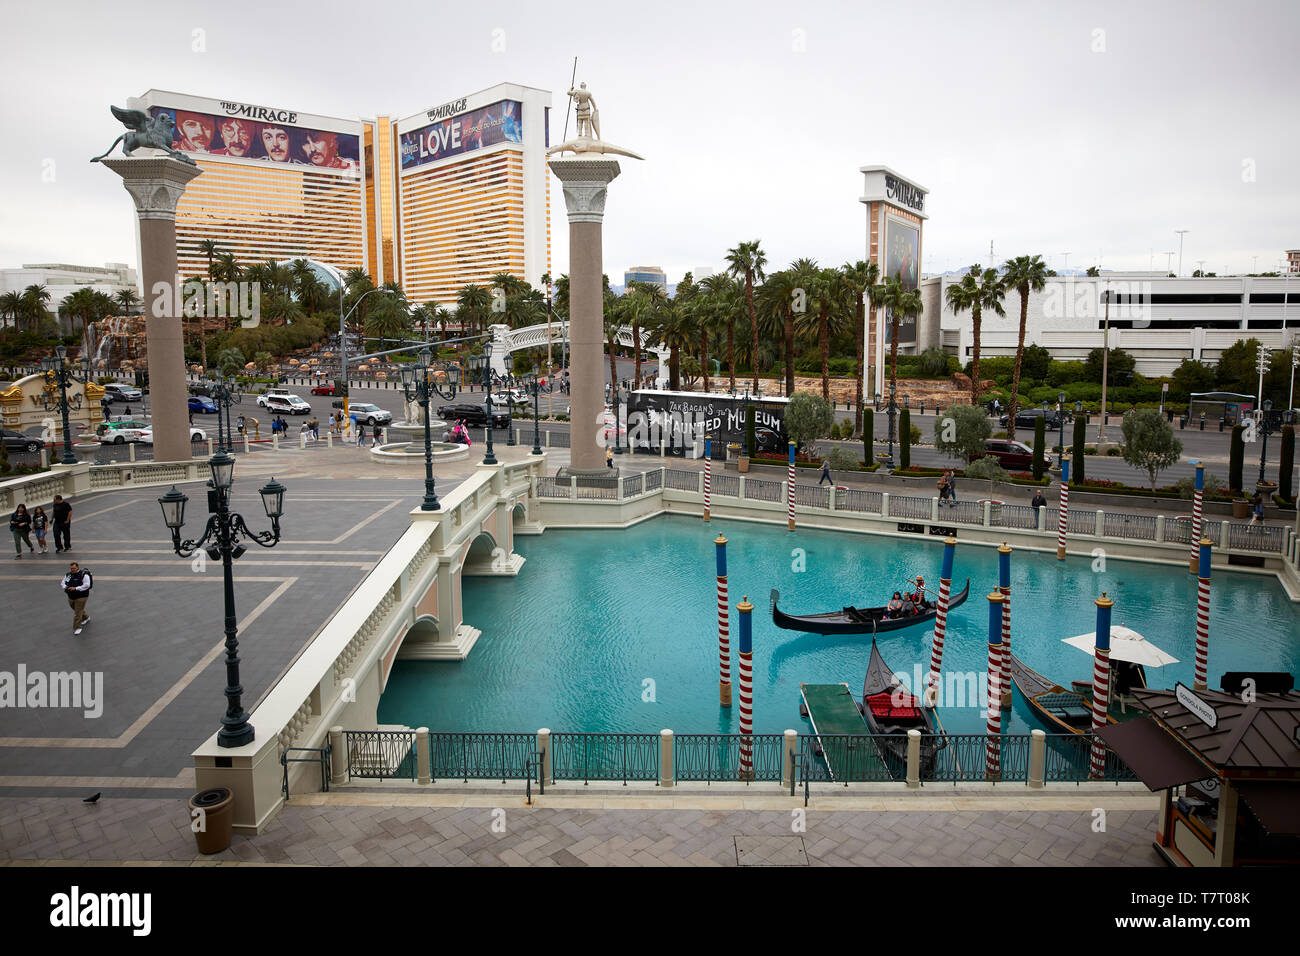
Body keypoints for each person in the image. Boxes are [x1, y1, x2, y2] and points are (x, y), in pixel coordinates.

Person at [61, 561, 92, 636]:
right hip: (71, 596)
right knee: (76, 609)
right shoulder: (68, 575)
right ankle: (86, 617)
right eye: (71, 568)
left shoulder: (83, 575)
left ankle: (77, 627)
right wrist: (66, 587)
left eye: (74, 568)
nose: (72, 570)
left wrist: (76, 588)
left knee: (77, 613)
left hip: (81, 596)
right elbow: (62, 582)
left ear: (77, 567)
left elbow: (87, 585)